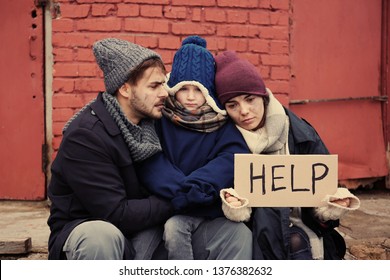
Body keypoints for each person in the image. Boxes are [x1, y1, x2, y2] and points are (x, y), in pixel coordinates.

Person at [213, 51, 360, 260]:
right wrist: (235, 205)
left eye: (249, 99)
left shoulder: (302, 134)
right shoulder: (226, 143)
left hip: (302, 230)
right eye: (232, 105)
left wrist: (331, 205)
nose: (244, 111)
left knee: (296, 240)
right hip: (252, 235)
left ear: (263, 96)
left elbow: (323, 201)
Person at [135, 36, 253, 260]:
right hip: (165, 200)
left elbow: (232, 159)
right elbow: (149, 158)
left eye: (198, 90)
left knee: (175, 227)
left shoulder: (220, 123)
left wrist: (197, 187)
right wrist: (181, 189)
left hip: (203, 203)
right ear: (172, 88)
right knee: (139, 250)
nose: (190, 97)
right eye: (183, 88)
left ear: (208, 91)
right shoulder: (160, 118)